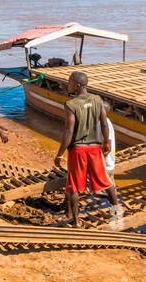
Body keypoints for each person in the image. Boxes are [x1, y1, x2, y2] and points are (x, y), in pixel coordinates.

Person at [51, 71, 121, 226]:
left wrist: (60, 154)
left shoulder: (71, 104)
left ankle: (76, 220)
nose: (67, 84)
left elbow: (68, 131)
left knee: (74, 186)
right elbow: (104, 123)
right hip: (95, 148)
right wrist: (107, 142)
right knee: (105, 181)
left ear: (77, 85)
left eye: (69, 81)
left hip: (78, 150)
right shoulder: (97, 100)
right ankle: (116, 211)